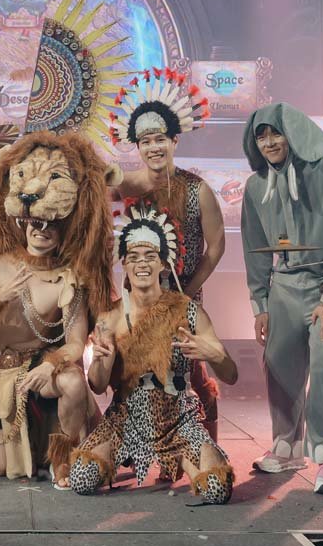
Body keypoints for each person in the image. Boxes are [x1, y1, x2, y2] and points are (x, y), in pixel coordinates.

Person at [67, 207, 236, 501]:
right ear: (125, 264)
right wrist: (102, 362)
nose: (141, 263)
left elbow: (231, 375)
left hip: (178, 417)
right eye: (133, 257)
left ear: (163, 263)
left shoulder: (188, 311)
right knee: (81, 478)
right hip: (125, 418)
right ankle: (128, 453)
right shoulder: (110, 318)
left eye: (149, 256)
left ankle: (179, 457)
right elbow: (96, 384)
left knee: (216, 489)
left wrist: (216, 356)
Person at [240, 102, 323, 495]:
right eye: (261, 135)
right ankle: (287, 445)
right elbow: (254, 246)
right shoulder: (256, 186)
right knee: (279, 364)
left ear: (294, 131)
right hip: (284, 287)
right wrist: (260, 304)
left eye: (276, 132)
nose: (269, 142)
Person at [110, 68, 225, 440]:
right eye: (145, 142)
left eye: (160, 139)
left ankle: (206, 443)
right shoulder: (127, 184)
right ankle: (137, 443)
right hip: (139, 296)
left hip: (183, 295)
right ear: (137, 146)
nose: (153, 148)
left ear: (175, 140)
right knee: (132, 367)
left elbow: (217, 247)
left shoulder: (198, 189)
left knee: (189, 368)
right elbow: (90, 201)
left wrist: (188, 293)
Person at [0, 213, 95, 487]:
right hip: (2, 374)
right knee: (1, 468)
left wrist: (51, 363)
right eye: (37, 222)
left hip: (40, 365)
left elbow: (76, 341)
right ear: (24, 222)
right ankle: (36, 448)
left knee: (73, 382)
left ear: (64, 231)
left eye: (53, 225)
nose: (42, 230)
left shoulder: (68, 276)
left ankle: (63, 457)